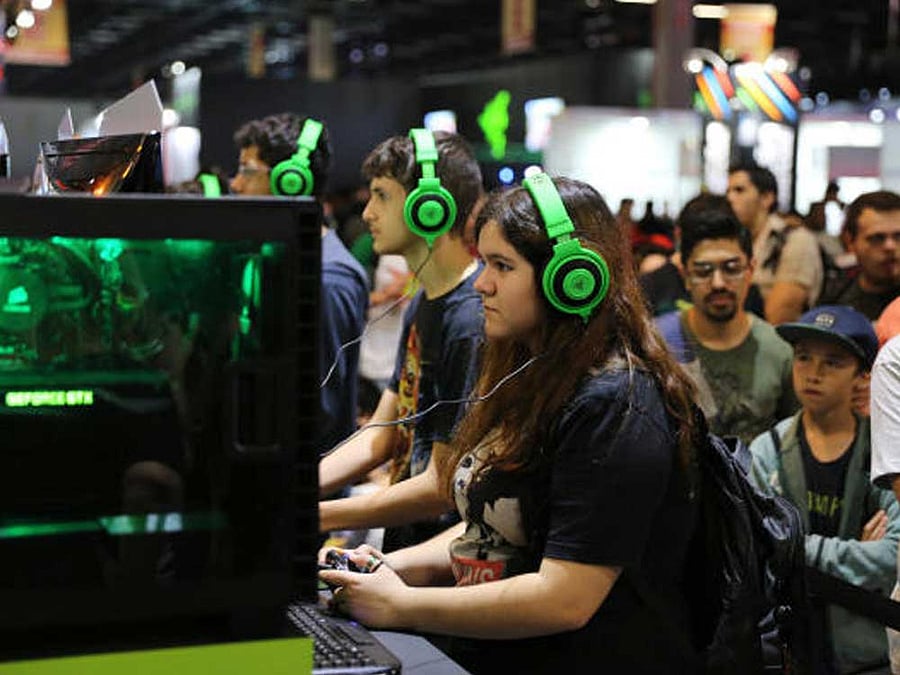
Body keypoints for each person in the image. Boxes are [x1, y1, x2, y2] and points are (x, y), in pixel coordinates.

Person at [319, 174, 701, 674]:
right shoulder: (527, 372)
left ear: (572, 277)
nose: (482, 282)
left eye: (502, 266)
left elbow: (565, 598)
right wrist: (392, 568)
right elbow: (490, 529)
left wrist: (402, 604)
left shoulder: (617, 404)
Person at [318, 129, 484, 552]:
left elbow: (440, 485)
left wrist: (315, 511)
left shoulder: (470, 319)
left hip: (440, 560)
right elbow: (382, 432)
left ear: (431, 207)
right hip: (405, 542)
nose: (369, 212)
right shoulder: (423, 300)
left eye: (382, 196)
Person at [749, 305, 899, 674]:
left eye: (833, 362)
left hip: (869, 655)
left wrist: (792, 546)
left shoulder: (880, 454)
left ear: (863, 376)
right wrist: (853, 552)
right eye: (803, 358)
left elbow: (893, 556)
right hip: (790, 652)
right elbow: (754, 553)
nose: (814, 373)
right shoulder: (767, 450)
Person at [230, 112, 369, 455]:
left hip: (309, 487)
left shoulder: (326, 280)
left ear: (290, 181)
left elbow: (319, 409)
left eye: (247, 171)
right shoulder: (282, 261)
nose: (235, 183)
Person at [656, 206, 798, 444]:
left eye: (731, 269)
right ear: (685, 276)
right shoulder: (656, 344)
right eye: (703, 271)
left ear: (750, 270)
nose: (718, 283)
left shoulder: (779, 350)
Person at [727, 163, 823, 324]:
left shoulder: (796, 240)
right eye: (728, 191)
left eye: (739, 190)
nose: (730, 198)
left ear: (766, 198)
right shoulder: (735, 241)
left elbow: (781, 317)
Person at [818, 190, 900, 321]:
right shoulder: (833, 299)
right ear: (850, 241)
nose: (890, 246)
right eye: (877, 238)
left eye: (898, 237)